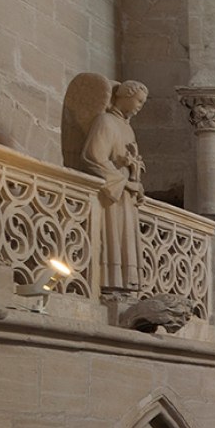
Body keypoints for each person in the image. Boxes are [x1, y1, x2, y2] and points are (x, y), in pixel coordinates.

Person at [82, 80, 149, 295]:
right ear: (125, 95)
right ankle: (111, 284)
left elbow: (132, 162)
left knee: (126, 240)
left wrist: (136, 181)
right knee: (113, 237)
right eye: (139, 100)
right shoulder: (105, 121)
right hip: (113, 195)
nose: (140, 106)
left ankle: (126, 286)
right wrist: (126, 183)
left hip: (126, 195)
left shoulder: (127, 129)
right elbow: (94, 157)